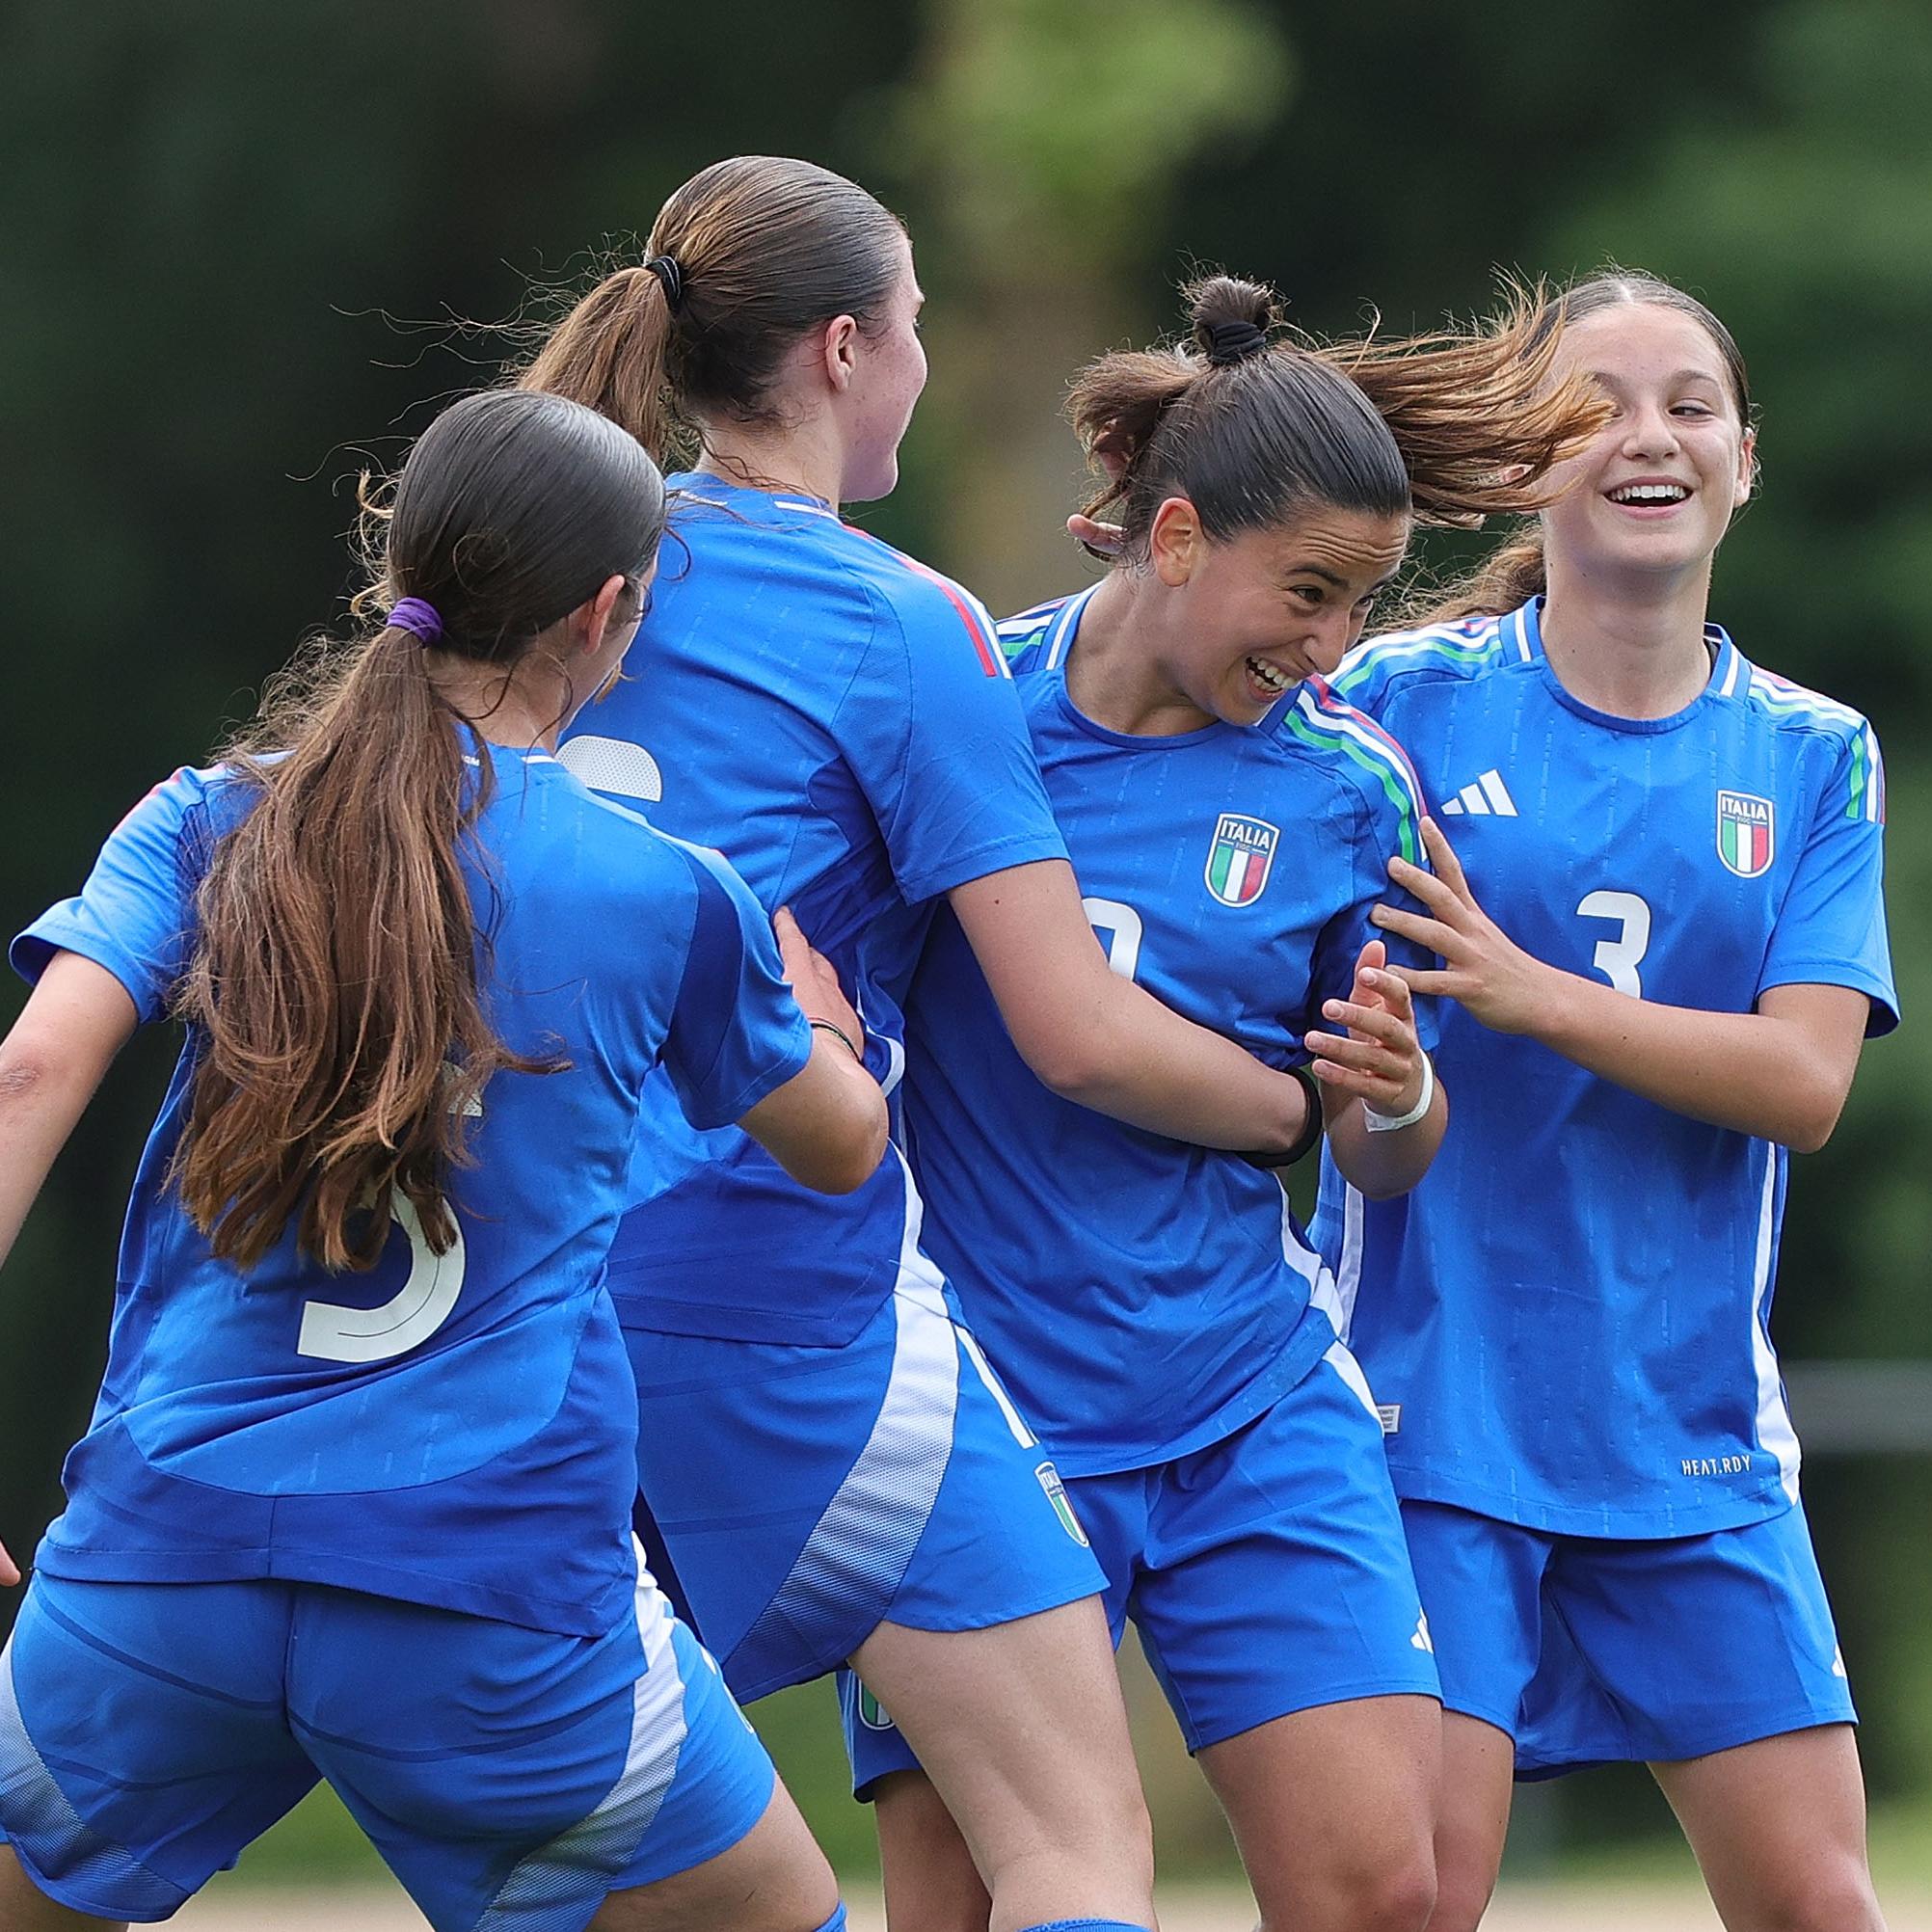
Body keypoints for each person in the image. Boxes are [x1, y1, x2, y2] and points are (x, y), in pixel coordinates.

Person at [519, 158, 1332, 1932]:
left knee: (580, 1849)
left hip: (511, 1272)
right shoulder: (900, 619)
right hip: (769, 1279)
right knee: (1069, 1841)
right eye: (912, 333)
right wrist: (1295, 1107)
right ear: (837, 349)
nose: (928, 373)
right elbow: (1076, 1030)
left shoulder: (555, 556)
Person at [0, 388, 888, 1932]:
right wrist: (827, 1037)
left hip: (161, 1571)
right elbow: (836, 1150)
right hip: (487, 1601)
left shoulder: (213, 821)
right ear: (608, 613)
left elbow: (26, 1071)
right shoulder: (671, 892)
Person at [832, 275, 1609, 1932]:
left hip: (1243, 1399)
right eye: (1310, 592)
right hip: (983, 1424)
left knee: (1386, 1895)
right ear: (1172, 534)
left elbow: (1387, 1152)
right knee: (959, 1907)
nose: (1333, 648)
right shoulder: (956, 716)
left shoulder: (1350, 783)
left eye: (1363, 605)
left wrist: (1390, 1099)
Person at [1315, 270, 1897, 1932]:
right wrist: (1397, 1084)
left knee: (1823, 1908)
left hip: (1692, 1433)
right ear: (1522, 466)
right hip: (1432, 1421)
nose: (1647, 438)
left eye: (1688, 404)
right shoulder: (1396, 712)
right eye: (1595, 407)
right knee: (1413, 1904)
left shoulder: (1815, 752)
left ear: (1743, 458)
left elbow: (1802, 1084)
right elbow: (1362, 1116)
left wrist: (1526, 995)